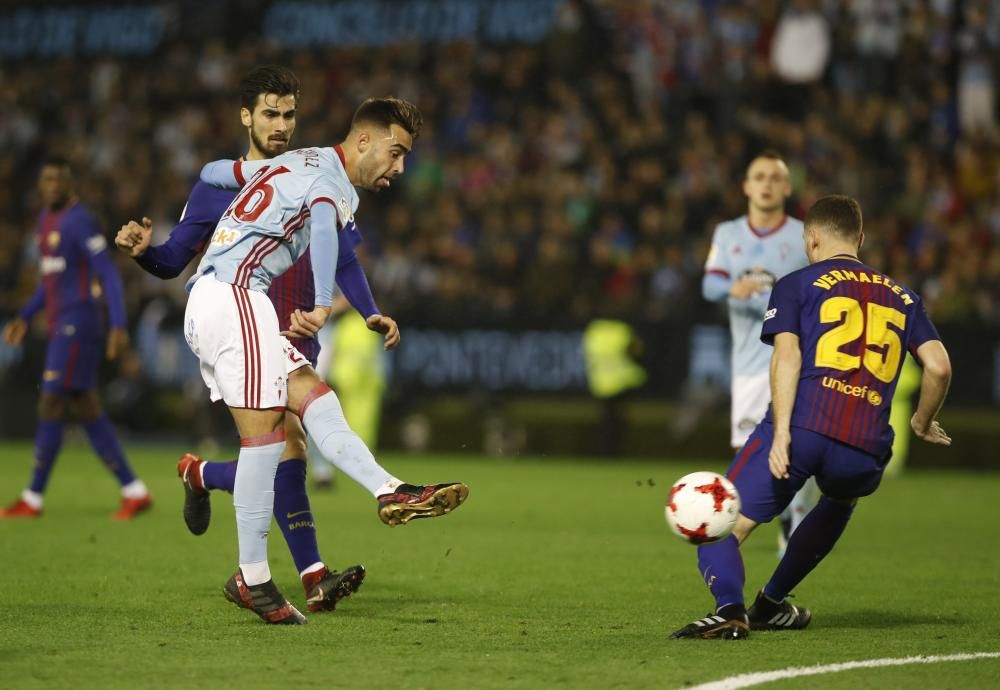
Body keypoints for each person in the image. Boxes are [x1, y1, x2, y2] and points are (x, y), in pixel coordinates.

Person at [116, 76, 467, 622]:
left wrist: (365, 307)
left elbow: (214, 172)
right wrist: (325, 302)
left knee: (311, 398)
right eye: (396, 154)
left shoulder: (293, 162)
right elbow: (324, 229)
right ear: (366, 140)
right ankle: (253, 577)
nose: (399, 168)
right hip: (236, 302)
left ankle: (389, 490)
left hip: (242, 309)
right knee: (269, 445)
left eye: (289, 115)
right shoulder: (327, 176)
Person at [671, 195, 952, 640]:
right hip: (864, 444)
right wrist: (920, 422)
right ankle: (770, 603)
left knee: (722, 520)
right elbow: (939, 367)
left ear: (812, 237)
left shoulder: (798, 283)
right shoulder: (904, 297)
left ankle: (730, 609)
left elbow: (787, 357)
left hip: (804, 425)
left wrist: (781, 433)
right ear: (860, 239)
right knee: (838, 503)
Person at [1, 157, 152, 520]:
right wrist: (23, 315)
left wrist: (118, 327)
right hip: (59, 323)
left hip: (79, 323)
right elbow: (50, 281)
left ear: (71, 184)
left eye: (59, 179)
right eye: (46, 179)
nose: (52, 185)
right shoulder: (44, 221)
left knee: (52, 401)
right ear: (40, 185)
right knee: (84, 404)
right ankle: (134, 490)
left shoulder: (80, 220)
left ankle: (33, 497)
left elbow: (109, 275)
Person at [702, 151, 815, 553]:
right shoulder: (728, 234)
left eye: (774, 177)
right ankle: (773, 515)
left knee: (798, 445)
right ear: (746, 186)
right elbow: (709, 286)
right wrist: (734, 289)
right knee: (749, 453)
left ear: (787, 188)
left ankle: (794, 523)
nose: (766, 183)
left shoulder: (804, 236)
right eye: (759, 176)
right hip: (750, 366)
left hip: (798, 360)